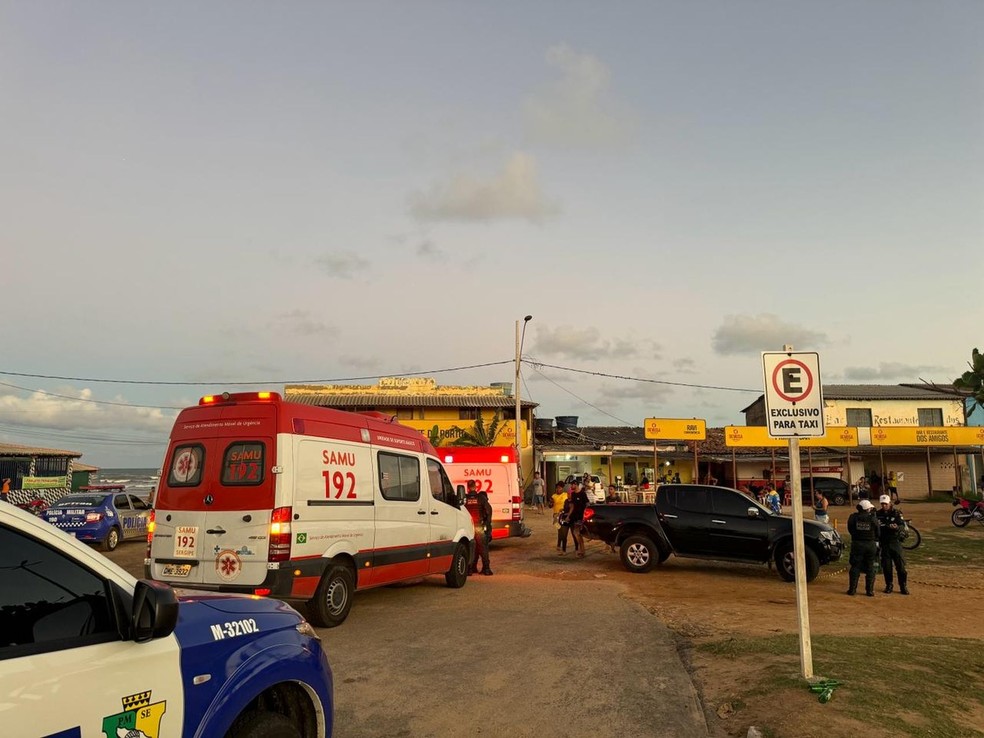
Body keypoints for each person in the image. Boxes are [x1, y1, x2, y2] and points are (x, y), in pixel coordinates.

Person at [876, 494, 908, 594]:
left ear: (890, 503)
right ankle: (889, 585)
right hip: (884, 543)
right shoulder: (878, 514)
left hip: (895, 542)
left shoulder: (896, 513)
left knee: (901, 567)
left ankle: (903, 586)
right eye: (882, 504)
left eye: (886, 504)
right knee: (887, 567)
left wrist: (897, 527)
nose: (884, 506)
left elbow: (902, 525)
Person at [847, 499, 880, 596]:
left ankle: (852, 590)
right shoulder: (873, 518)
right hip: (870, 544)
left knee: (855, 566)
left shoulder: (853, 517)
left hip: (857, 544)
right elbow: (878, 532)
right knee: (870, 567)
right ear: (867, 509)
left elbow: (850, 529)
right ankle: (869, 591)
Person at [470, 488, 494, 576]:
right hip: (480, 526)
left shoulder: (466, 498)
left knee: (473, 548)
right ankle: (486, 569)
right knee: (483, 548)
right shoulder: (482, 499)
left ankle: (470, 568)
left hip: (469, 527)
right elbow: (488, 514)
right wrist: (486, 526)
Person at [568, 481, 589, 557]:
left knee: (577, 533)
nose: (571, 486)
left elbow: (587, 504)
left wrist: (586, 515)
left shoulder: (582, 493)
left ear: (575, 485)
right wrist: (568, 516)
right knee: (577, 534)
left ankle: (582, 550)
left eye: (572, 485)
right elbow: (572, 506)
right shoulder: (573, 494)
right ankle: (581, 550)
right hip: (575, 516)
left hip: (581, 516)